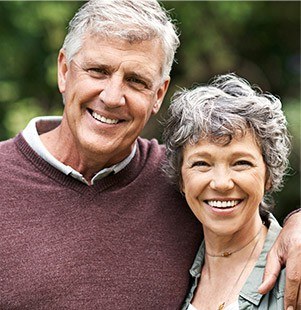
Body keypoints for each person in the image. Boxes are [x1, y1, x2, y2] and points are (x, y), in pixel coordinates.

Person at [0, 0, 300, 309]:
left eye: (136, 80)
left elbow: (246, 214)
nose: (113, 97)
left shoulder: (180, 178)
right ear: (64, 70)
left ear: (158, 94)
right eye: (98, 71)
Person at [162, 73, 295, 309]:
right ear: (181, 179)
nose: (221, 183)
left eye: (241, 163)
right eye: (201, 164)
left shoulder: (295, 273)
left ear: (269, 175)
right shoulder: (170, 275)